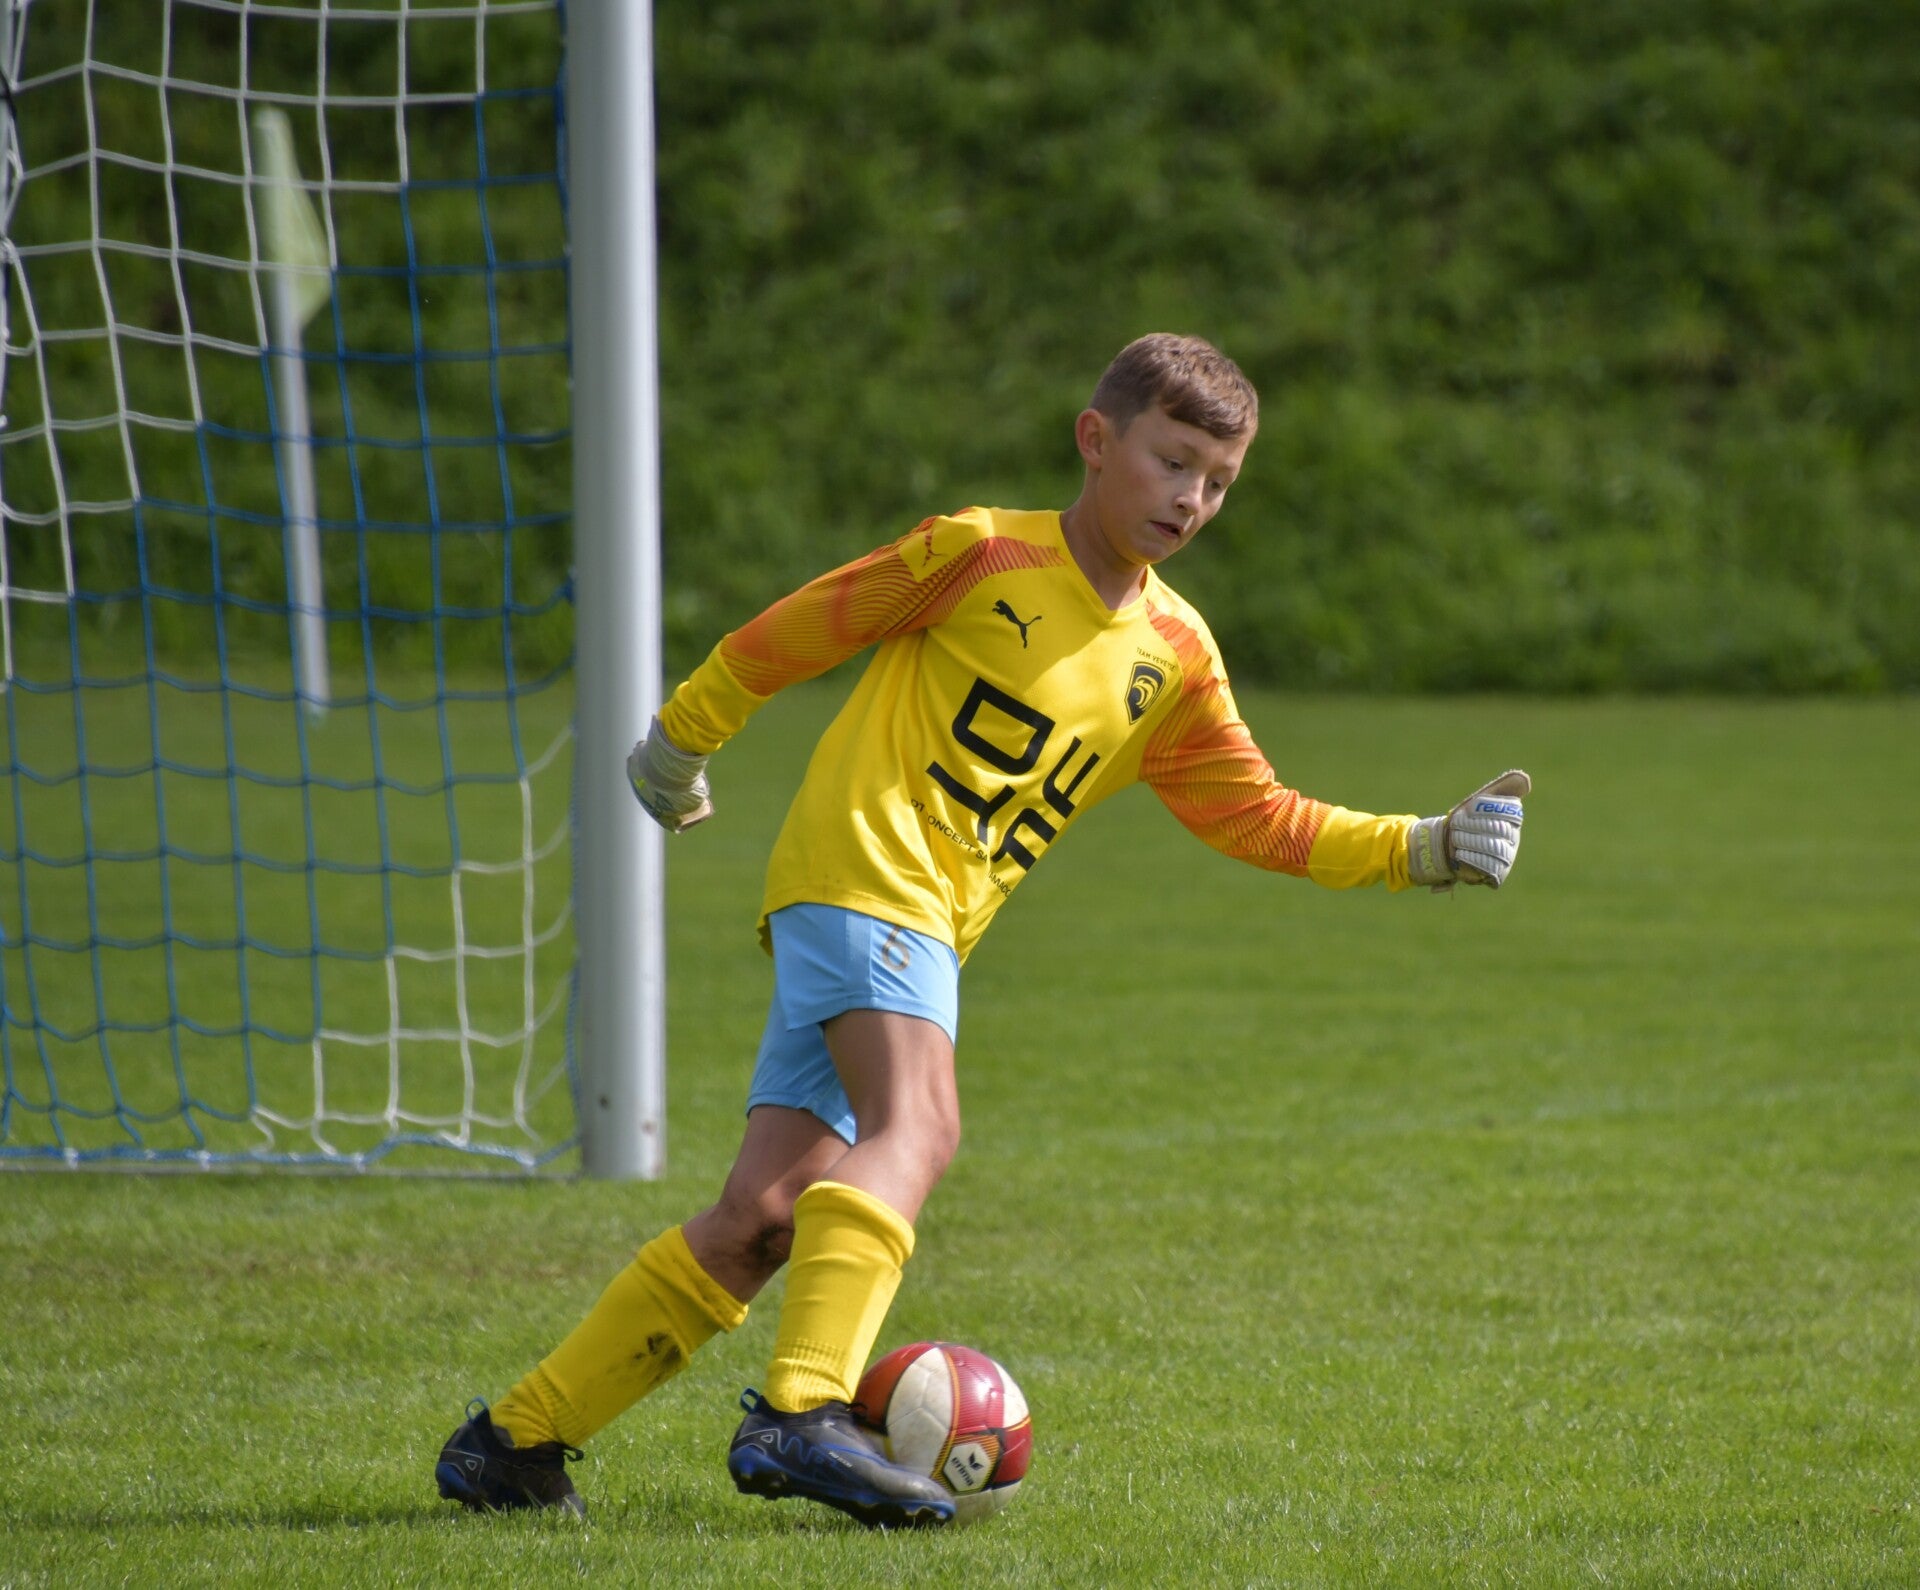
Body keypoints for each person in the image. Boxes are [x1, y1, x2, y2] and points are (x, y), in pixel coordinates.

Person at [432, 333, 1529, 1528]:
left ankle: (514, 1445)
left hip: (904, 925)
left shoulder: (1176, 655)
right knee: (922, 1123)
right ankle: (802, 1410)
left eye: (1219, 482)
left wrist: (1419, 846)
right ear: (1095, 440)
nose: (1192, 499)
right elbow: (809, 624)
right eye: (1172, 462)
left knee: (761, 1221)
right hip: (869, 878)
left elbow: (1256, 812)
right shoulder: (980, 552)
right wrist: (680, 739)